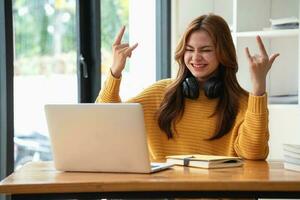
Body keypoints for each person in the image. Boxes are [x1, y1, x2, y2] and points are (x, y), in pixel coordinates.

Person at [96, 14, 279, 162]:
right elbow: (104, 120)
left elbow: (253, 153)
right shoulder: (160, 93)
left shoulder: (245, 102)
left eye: (206, 50)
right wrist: (115, 71)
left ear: (223, 53)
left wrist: (258, 88)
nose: (195, 57)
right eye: (189, 49)